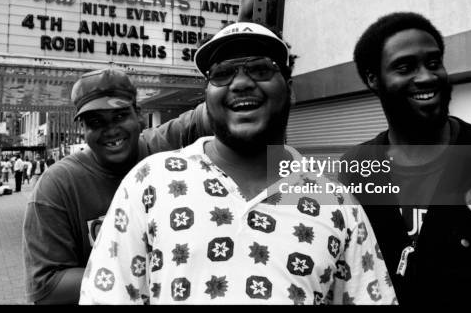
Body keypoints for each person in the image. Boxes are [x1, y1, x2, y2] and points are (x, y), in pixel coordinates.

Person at [80, 23, 396, 305]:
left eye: (260, 69)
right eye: (222, 73)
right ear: (207, 97)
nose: (241, 82)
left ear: (290, 90)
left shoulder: (337, 201)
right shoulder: (149, 182)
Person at [338, 12, 471, 305]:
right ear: (373, 79)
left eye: (434, 63)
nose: (426, 76)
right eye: (405, 67)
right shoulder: (353, 170)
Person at [23, 67, 211, 304]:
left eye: (120, 116)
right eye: (95, 122)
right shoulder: (56, 186)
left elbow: (221, 110)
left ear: (139, 114)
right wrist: (142, 272)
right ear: (83, 129)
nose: (111, 130)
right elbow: (47, 288)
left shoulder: (168, 143)